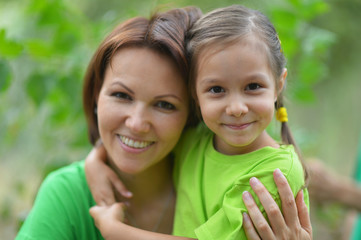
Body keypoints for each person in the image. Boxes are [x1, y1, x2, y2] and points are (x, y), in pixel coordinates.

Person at [87, 5, 311, 240]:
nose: (236, 108)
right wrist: (95, 160)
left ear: (279, 84)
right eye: (216, 89)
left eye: (253, 86)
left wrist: (115, 231)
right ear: (194, 93)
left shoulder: (276, 172)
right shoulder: (196, 142)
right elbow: (140, 137)